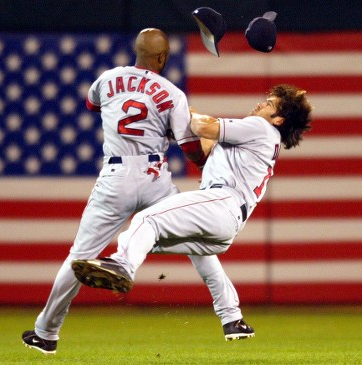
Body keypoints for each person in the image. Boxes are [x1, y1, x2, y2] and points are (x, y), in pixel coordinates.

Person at [22, 28, 252, 355]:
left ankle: (46, 332)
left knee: (79, 256)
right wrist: (205, 157)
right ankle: (231, 317)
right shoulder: (172, 93)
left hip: (115, 175)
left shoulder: (108, 79)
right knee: (194, 242)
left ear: (136, 51)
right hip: (155, 176)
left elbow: (93, 105)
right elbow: (189, 147)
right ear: (161, 58)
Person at [72, 84, 313, 337]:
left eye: (270, 104)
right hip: (226, 222)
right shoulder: (257, 137)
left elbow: (204, 126)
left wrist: (177, 108)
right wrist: (184, 113)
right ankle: (232, 318)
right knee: (154, 242)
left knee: (147, 219)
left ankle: (122, 265)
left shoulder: (261, 127)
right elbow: (207, 145)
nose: (261, 104)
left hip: (222, 202)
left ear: (279, 119)